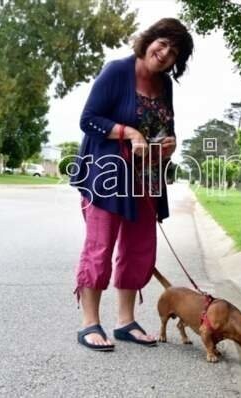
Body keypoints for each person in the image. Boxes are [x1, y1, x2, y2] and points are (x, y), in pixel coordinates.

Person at [70, 18, 194, 351]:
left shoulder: (165, 84)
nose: (165, 53)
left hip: (147, 180)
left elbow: (166, 125)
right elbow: (89, 120)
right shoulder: (116, 71)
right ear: (149, 40)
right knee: (100, 248)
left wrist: (170, 146)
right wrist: (130, 133)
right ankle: (89, 323)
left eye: (174, 51)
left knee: (138, 250)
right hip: (107, 176)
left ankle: (125, 321)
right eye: (163, 43)